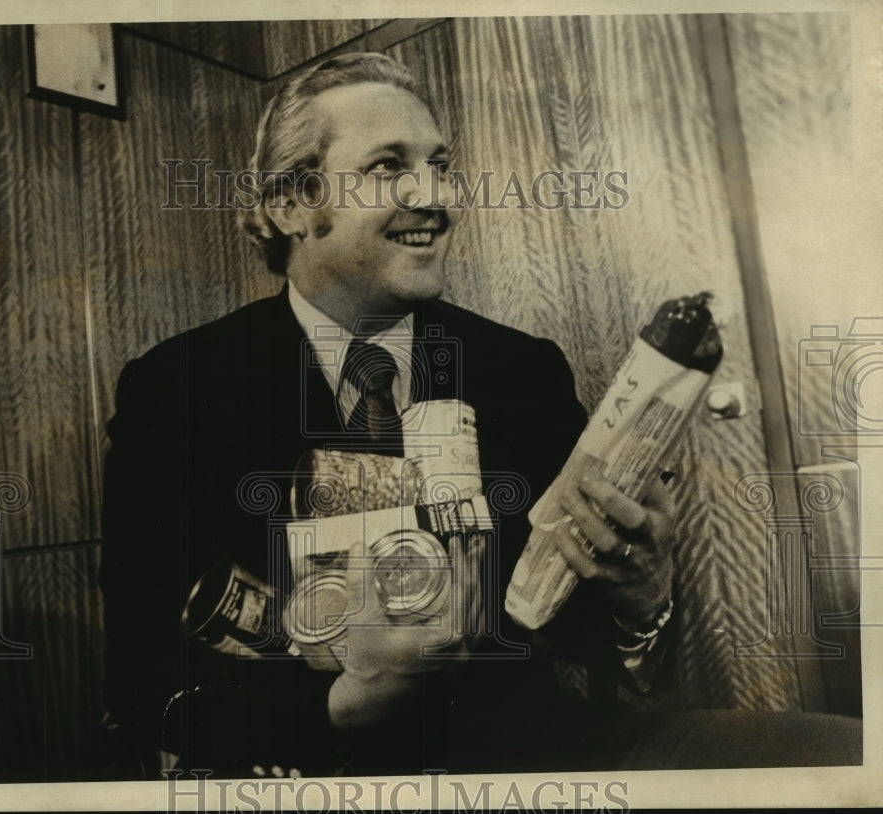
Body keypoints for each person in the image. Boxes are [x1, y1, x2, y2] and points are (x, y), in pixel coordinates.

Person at [99, 52, 859, 778]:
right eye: (387, 166)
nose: (434, 197)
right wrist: (345, 705)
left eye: (439, 165)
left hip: (542, 761)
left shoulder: (519, 369)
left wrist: (643, 600)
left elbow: (597, 649)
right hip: (314, 772)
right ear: (291, 203)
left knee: (846, 759)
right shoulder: (179, 388)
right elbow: (144, 677)